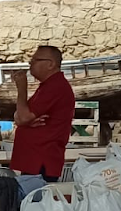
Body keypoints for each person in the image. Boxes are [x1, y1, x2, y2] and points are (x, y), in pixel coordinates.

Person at [9, 45, 77, 181]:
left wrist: (22, 89)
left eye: (35, 60)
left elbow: (23, 117)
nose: (30, 64)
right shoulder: (47, 86)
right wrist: (25, 121)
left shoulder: (56, 86)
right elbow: (19, 117)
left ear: (50, 64)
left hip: (42, 158)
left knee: (37, 194)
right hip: (34, 158)